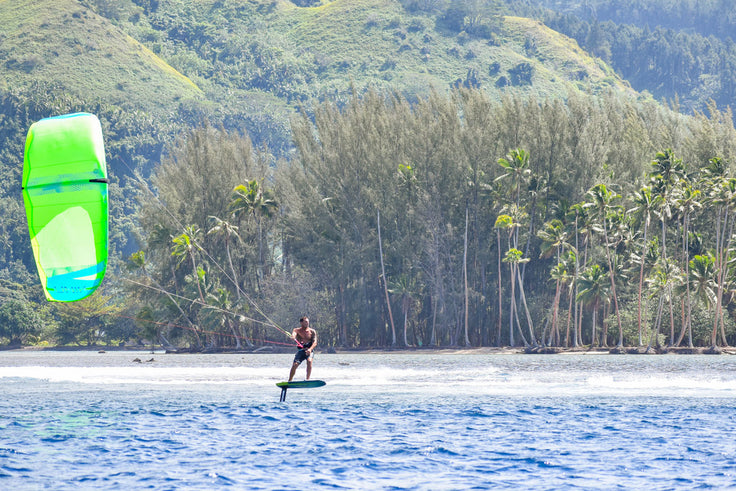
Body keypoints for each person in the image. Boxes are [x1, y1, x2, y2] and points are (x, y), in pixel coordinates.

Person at [288, 316, 317, 381]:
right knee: (295, 365)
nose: (307, 323)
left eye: (308, 322)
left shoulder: (312, 331)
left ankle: (307, 379)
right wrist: (292, 337)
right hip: (301, 351)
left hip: (309, 350)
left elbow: (315, 342)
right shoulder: (296, 330)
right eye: (306, 322)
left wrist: (310, 349)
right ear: (301, 323)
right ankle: (289, 380)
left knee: (309, 361)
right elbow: (294, 335)